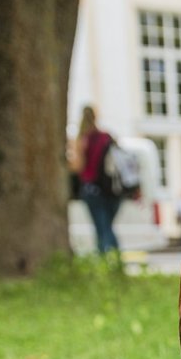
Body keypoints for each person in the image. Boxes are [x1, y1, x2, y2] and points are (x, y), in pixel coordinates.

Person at [69, 106, 121, 255]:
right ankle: (112, 259)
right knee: (107, 227)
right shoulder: (106, 136)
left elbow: (78, 166)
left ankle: (108, 259)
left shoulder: (83, 139)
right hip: (112, 189)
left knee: (102, 228)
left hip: (92, 189)